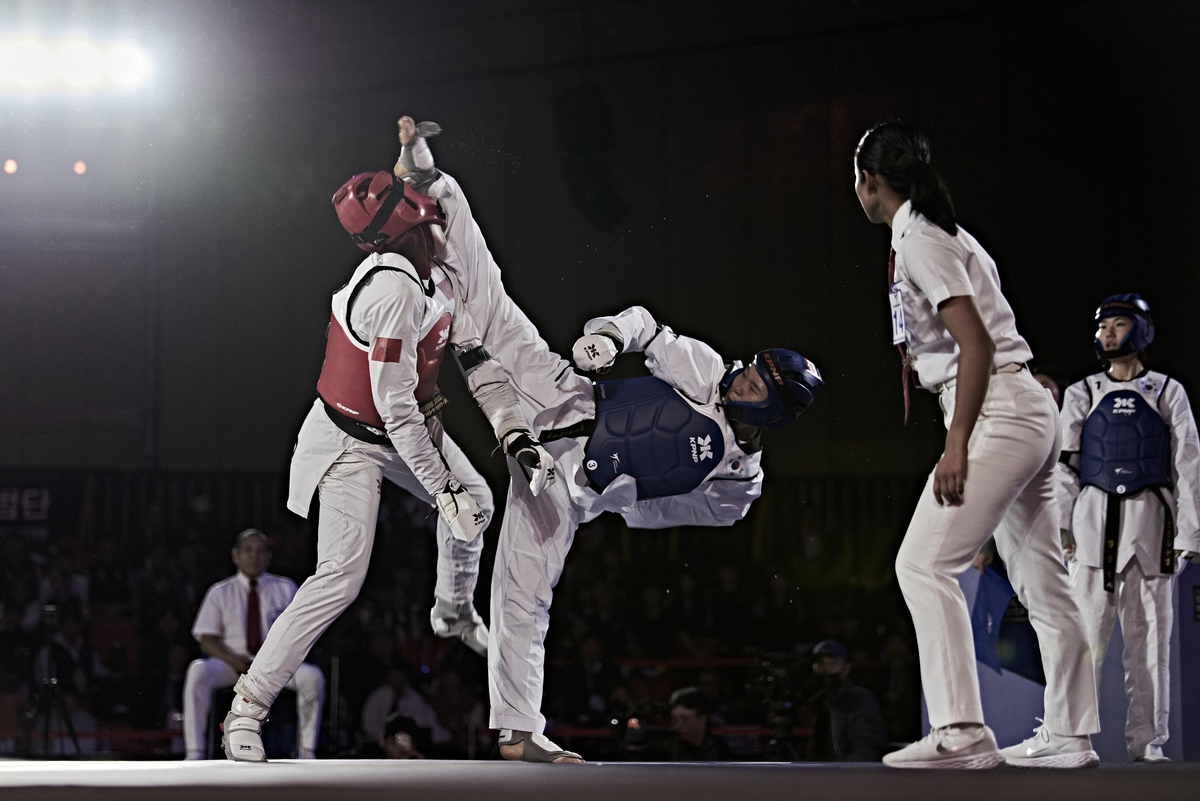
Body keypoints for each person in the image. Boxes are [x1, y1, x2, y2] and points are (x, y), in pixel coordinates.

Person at [221, 167, 552, 762]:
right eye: (428, 214)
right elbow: (394, 409)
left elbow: (474, 359)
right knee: (340, 578)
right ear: (406, 231)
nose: (439, 219)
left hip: (410, 425)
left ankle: (451, 612)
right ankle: (248, 703)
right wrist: (439, 485)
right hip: (353, 440)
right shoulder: (390, 293)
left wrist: (513, 430)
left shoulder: (441, 275)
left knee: (477, 506)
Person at [852, 121, 1099, 769]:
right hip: (1024, 405)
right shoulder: (949, 234)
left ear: (869, 182)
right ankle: (1072, 732)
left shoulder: (922, 243)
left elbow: (977, 343)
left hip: (995, 408)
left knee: (922, 562)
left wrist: (956, 443)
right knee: (1044, 578)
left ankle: (961, 728)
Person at [489, 305, 822, 762]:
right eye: (749, 370)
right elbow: (645, 325)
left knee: (524, 599)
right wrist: (610, 337)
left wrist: (627, 502)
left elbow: (706, 512)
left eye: (756, 387)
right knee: (487, 303)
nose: (742, 380)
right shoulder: (706, 370)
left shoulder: (741, 479)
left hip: (559, 487)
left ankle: (517, 731)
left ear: (774, 414)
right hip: (554, 395)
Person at [1056, 293, 1200, 762]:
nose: (1109, 334)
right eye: (1103, 327)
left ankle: (1148, 742)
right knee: (1083, 643)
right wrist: (1061, 525)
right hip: (1092, 531)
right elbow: (1064, 465)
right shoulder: (1083, 392)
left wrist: (1189, 534)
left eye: (1118, 325)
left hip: (1151, 528)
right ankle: (1072, 737)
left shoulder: (1166, 391)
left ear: (1141, 331)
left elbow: (1188, 464)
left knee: (1150, 645)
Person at [184, 529, 325, 760]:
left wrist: (278, 661)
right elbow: (206, 638)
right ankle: (195, 751)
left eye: (261, 551)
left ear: (269, 557)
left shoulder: (285, 588)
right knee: (197, 671)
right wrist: (231, 659)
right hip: (232, 664)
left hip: (275, 667)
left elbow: (301, 631)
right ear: (235, 556)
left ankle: (307, 751)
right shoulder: (220, 591)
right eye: (248, 550)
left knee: (313, 677)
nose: (254, 556)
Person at [804, 639, 886, 762]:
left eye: (832, 663)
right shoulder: (814, 701)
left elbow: (866, 747)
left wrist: (846, 774)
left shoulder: (860, 698)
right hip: (815, 774)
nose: (826, 669)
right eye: (820, 663)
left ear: (847, 668)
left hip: (846, 774)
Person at [668, 686, 732, 762]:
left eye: (684, 718)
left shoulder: (719, 751)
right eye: (675, 719)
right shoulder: (670, 748)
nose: (678, 726)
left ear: (702, 718)